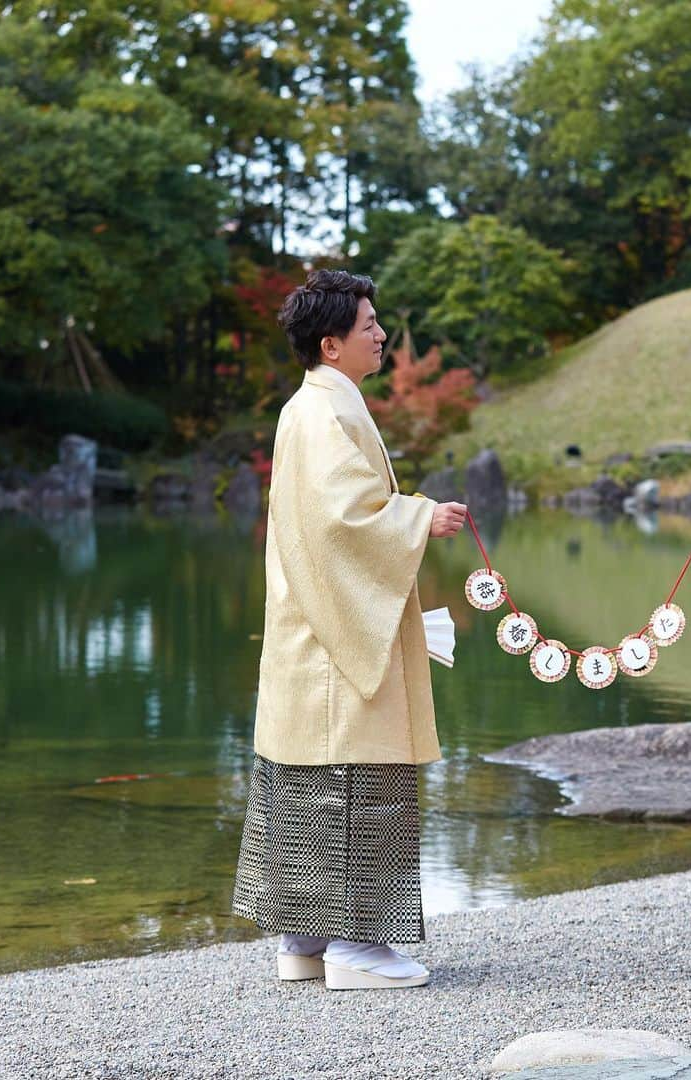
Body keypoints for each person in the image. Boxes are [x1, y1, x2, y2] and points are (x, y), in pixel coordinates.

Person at [231, 269, 467, 990]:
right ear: (330, 343)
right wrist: (421, 515)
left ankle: (304, 940)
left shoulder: (316, 406)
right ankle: (360, 947)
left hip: (313, 629)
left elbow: (338, 517)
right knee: (361, 780)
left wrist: (410, 516)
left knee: (306, 779)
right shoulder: (325, 411)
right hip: (338, 638)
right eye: (367, 324)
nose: (381, 334)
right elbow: (344, 520)